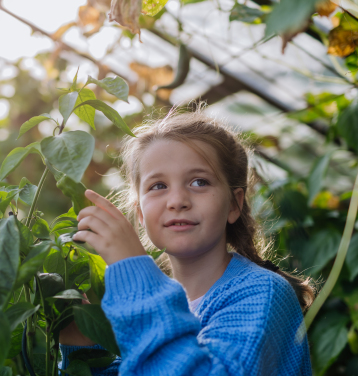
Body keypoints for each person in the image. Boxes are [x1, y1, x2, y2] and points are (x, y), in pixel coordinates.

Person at [58, 109, 314, 375]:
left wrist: (132, 267)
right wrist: (84, 349)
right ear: (140, 213)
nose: (177, 200)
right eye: (158, 186)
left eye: (199, 182)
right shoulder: (143, 302)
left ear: (234, 204)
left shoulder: (263, 292)